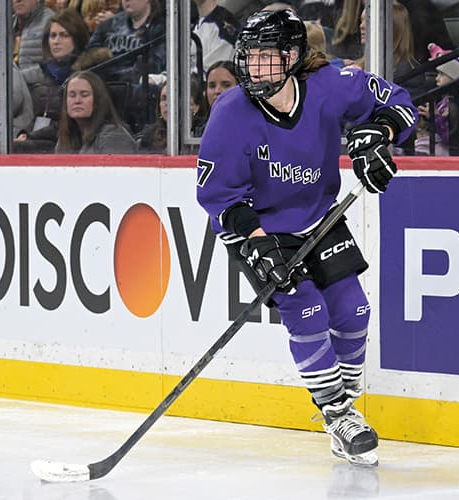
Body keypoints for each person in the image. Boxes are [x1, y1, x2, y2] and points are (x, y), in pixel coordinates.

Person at [194, 9, 415, 467]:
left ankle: (343, 402)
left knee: (354, 311)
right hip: (265, 228)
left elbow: (399, 102)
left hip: (319, 217)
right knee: (308, 311)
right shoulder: (231, 111)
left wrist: (380, 134)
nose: (255, 68)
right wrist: (256, 243)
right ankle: (338, 414)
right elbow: (219, 195)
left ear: (292, 57)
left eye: (267, 58)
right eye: (249, 57)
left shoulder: (331, 86)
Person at [14, 9, 96, 152]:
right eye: (53, 36)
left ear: (77, 38)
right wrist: (24, 133)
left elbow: (71, 124)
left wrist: (31, 136)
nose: (56, 41)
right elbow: (38, 116)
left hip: (66, 141)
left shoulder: (85, 75)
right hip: (39, 138)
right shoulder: (46, 72)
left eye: (64, 35)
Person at [55, 71, 138, 154]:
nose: (77, 101)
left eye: (84, 95)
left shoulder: (114, 136)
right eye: (72, 95)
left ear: (98, 101)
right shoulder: (66, 137)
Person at [85, 0, 166, 84]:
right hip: (104, 86)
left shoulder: (161, 27)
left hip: (138, 87)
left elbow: (155, 64)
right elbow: (89, 58)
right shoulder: (108, 25)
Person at [138, 79, 207, 152]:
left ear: (196, 107)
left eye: (174, 98)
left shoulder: (205, 132)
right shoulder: (148, 136)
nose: (167, 103)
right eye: (164, 99)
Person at [0, 0, 56, 68]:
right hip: (0, 79)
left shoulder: (52, 23)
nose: (18, 0)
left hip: (34, 81)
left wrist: (18, 76)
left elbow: (52, 69)